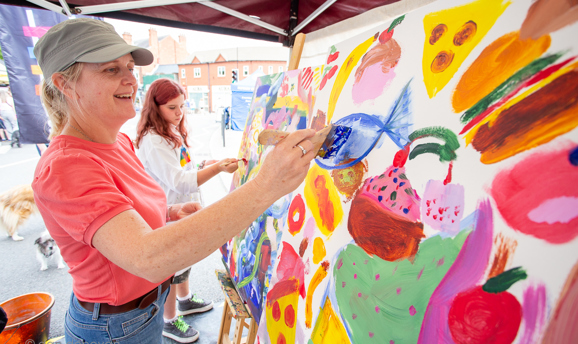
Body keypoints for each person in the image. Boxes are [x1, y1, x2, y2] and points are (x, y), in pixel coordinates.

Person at [31, 18, 315, 344]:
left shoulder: (118, 142)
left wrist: (168, 213)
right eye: (111, 70)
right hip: (114, 326)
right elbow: (146, 258)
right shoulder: (66, 165)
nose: (131, 80)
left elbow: (123, 217)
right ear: (64, 85)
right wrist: (266, 184)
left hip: (145, 310)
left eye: (129, 67)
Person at [134, 78, 239, 342]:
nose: (179, 113)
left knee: (183, 262)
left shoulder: (171, 129)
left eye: (182, 106)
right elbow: (179, 180)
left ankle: (185, 300)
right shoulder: (153, 140)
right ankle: (169, 321)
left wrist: (206, 162)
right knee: (171, 268)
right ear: (154, 108)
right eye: (172, 107)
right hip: (168, 213)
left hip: (183, 209)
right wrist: (216, 170)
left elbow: (183, 164)